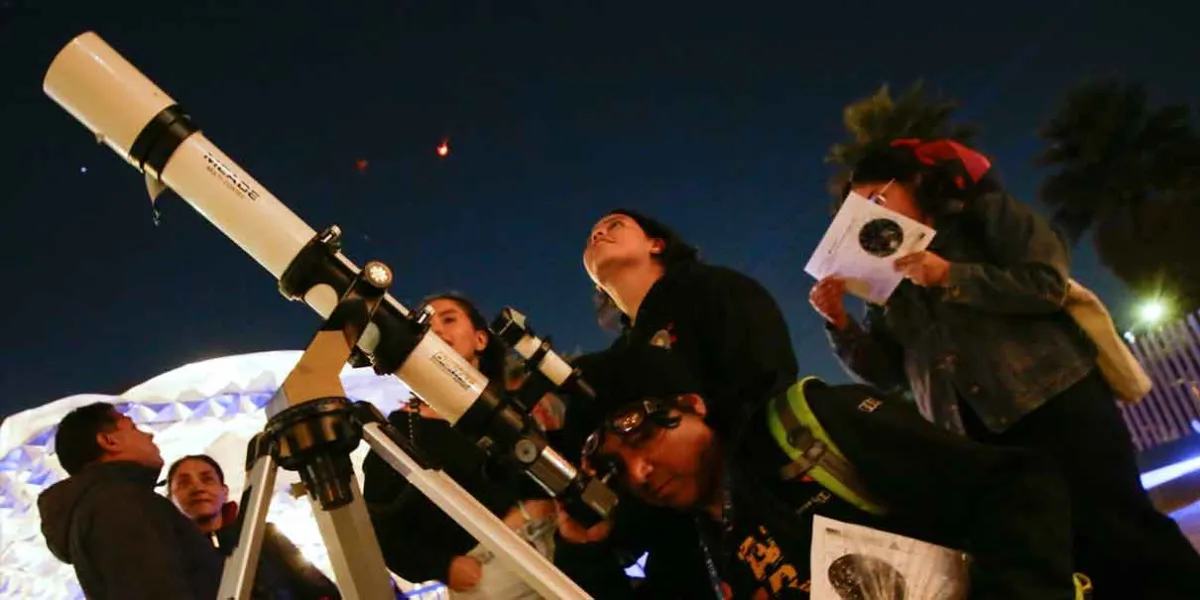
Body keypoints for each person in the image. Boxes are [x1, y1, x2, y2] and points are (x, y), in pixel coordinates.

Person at [809, 138, 1200, 598]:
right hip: (975, 436)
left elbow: (1046, 283)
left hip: (1055, 401)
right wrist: (841, 323)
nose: (876, 216)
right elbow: (890, 373)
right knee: (1055, 555)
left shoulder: (984, 215)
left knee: (1122, 529)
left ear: (914, 182)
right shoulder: (886, 277)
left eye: (878, 199)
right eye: (861, 211)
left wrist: (949, 275)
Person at [560, 343, 1087, 600]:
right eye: (614, 467)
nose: (640, 469)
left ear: (692, 405)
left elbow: (1016, 487)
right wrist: (588, 554)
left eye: (643, 435)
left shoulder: (807, 429)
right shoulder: (696, 548)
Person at [581, 208, 800, 597]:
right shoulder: (621, 360)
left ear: (656, 243)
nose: (598, 234)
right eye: (592, 235)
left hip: (782, 508)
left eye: (614, 226)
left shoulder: (714, 288)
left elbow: (766, 380)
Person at [361, 293, 630, 599]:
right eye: (425, 323)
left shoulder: (517, 409)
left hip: (560, 546)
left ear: (480, 340)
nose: (435, 329)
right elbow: (379, 525)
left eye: (448, 319)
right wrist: (442, 565)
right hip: (489, 574)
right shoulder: (402, 429)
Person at [37, 402, 223, 599]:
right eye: (133, 428)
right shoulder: (118, 503)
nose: (149, 435)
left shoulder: (106, 504)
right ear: (109, 441)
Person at [166, 454, 342, 600]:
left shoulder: (262, 535)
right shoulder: (167, 555)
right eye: (184, 483)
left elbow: (321, 591)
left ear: (224, 491)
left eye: (207, 479)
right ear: (169, 499)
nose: (197, 488)